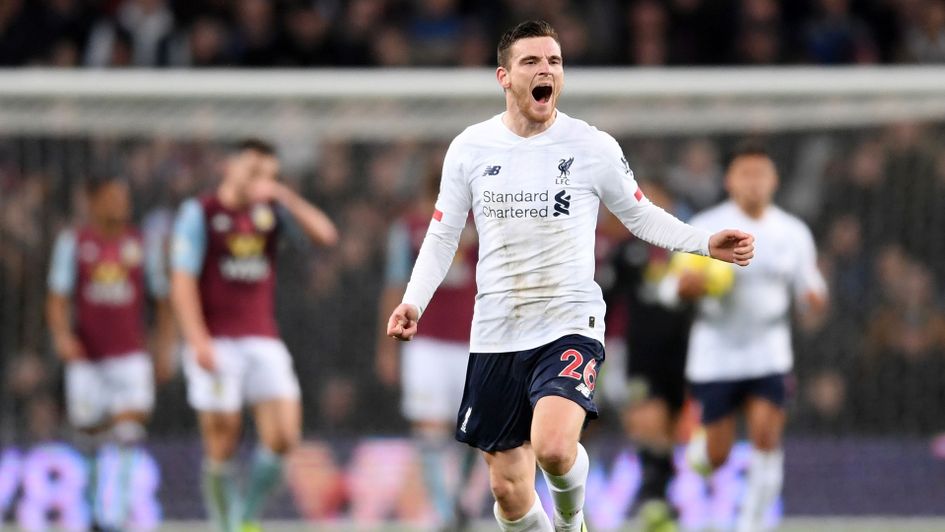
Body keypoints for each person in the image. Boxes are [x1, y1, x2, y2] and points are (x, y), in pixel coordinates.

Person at [386, 20, 755, 532]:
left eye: (554, 62)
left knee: (555, 450)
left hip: (569, 320)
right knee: (507, 490)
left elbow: (639, 214)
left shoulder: (591, 145)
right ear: (504, 77)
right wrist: (413, 302)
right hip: (496, 329)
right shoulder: (469, 148)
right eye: (531, 62)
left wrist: (702, 242)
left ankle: (571, 520)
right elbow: (443, 235)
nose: (546, 71)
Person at [170, 139, 338, 532]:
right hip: (216, 340)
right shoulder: (200, 213)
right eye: (253, 171)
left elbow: (326, 235)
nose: (260, 181)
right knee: (223, 439)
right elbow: (182, 282)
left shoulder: (271, 212)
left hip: (262, 337)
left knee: (284, 436)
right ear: (229, 166)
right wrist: (197, 342)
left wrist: (282, 194)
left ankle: (246, 514)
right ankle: (225, 523)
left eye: (268, 174)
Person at [681, 143, 827, 532]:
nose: (754, 183)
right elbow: (674, 287)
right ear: (729, 180)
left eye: (761, 174)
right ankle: (701, 460)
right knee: (716, 454)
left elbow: (810, 288)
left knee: (765, 436)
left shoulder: (792, 232)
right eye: (745, 174)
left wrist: (813, 300)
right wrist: (689, 286)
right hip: (716, 351)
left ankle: (753, 524)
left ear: (774, 180)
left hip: (769, 350)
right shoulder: (706, 226)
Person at [47, 175, 175, 530]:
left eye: (125, 197)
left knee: (128, 432)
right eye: (113, 198)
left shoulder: (141, 244)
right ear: (94, 200)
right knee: (90, 436)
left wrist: (164, 347)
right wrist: (61, 336)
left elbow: (163, 300)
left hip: (129, 357)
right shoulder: (74, 243)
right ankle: (91, 512)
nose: (121, 205)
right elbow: (57, 298)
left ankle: (113, 518)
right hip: (87, 360)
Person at [376, 163, 478, 530]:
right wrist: (387, 348)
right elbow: (393, 286)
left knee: (474, 431)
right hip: (426, 344)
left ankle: (459, 498)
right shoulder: (408, 230)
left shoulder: (480, 226)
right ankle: (444, 510)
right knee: (430, 428)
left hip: (474, 342)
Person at [611, 182, 696, 532]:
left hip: (686, 353)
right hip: (641, 353)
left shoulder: (690, 246)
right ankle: (654, 500)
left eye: (660, 198)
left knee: (675, 430)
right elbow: (603, 297)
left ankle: (661, 495)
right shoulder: (627, 252)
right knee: (647, 421)